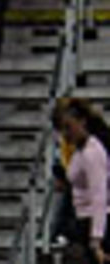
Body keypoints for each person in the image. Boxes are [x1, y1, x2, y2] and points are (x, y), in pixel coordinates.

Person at [59, 99, 110, 262]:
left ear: (82, 122)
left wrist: (96, 239)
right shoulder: (79, 151)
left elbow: (99, 196)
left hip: (92, 222)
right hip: (81, 220)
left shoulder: (92, 153)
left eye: (69, 127)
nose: (66, 134)